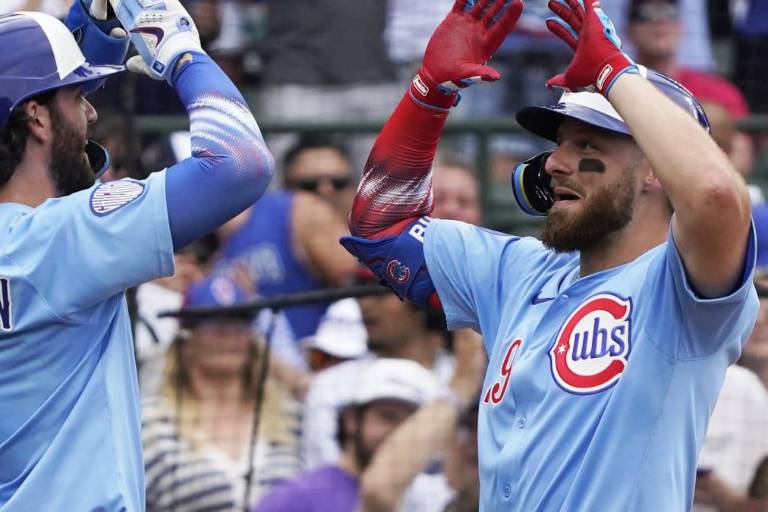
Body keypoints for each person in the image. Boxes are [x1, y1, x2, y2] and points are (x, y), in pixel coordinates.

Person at [340, 0, 758, 510]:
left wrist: (615, 72)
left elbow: (716, 196)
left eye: (587, 146)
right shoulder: (517, 270)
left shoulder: (682, 290)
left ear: (656, 172)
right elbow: (380, 226)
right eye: (559, 143)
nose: (555, 164)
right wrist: (430, 94)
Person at [0, 0, 275, 508]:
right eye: (78, 95)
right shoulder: (55, 238)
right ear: (35, 117)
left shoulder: (36, 238)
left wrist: (96, 30)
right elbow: (240, 165)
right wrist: (180, 52)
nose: (92, 111)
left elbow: (70, 165)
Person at [142, 276, 301, 511]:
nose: (229, 335)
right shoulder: (150, 422)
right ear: (186, 337)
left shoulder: (289, 414)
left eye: (239, 324)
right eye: (213, 325)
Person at [252, 358, 438, 512]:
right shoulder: (296, 499)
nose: (400, 433)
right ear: (352, 420)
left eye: (413, 423)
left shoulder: (433, 498)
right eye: (387, 417)